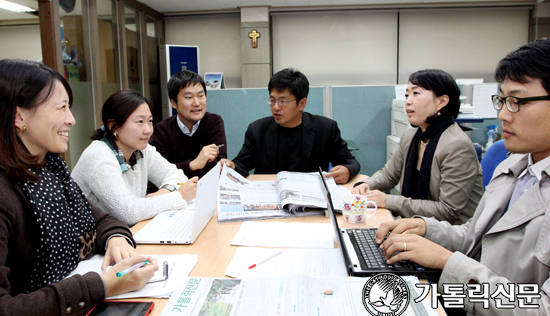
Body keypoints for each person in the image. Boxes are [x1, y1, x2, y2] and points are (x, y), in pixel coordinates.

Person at [376, 39, 550, 316]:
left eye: (517, 101)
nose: (503, 114)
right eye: (502, 100)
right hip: (471, 306)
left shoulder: (457, 144)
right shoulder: (514, 165)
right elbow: (478, 235)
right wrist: (424, 228)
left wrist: (447, 262)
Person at [0, 59, 158, 316]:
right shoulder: (6, 193)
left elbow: (102, 220)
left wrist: (116, 240)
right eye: (61, 107)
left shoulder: (50, 169)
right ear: (19, 116)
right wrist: (102, 286)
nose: (71, 119)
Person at [352, 69, 483, 224]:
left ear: (442, 101)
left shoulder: (457, 145)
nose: (408, 101)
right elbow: (389, 175)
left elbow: (447, 210)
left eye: (416, 93)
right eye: (407, 94)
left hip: (451, 235)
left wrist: (388, 200)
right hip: (416, 226)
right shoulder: (412, 135)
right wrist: (367, 184)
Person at [72, 90, 198, 226]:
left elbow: (176, 174)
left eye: (150, 121)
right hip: (95, 241)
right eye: (140, 121)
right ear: (113, 125)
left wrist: (163, 193)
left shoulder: (142, 149)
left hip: (128, 233)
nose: (148, 129)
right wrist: (178, 196)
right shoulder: (99, 157)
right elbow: (129, 213)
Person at [221, 68, 360, 184]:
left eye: (283, 101)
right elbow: (242, 163)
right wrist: (232, 166)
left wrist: (347, 170)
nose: (276, 107)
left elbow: (350, 162)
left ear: (301, 103)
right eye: (272, 100)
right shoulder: (257, 130)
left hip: (309, 198)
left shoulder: (325, 129)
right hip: (270, 199)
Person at [149, 70, 227, 179]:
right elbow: (160, 173)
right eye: (189, 97)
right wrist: (193, 165)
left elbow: (216, 167)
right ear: (173, 103)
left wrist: (179, 169)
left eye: (201, 96)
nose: (197, 103)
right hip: (175, 192)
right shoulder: (161, 132)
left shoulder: (213, 122)